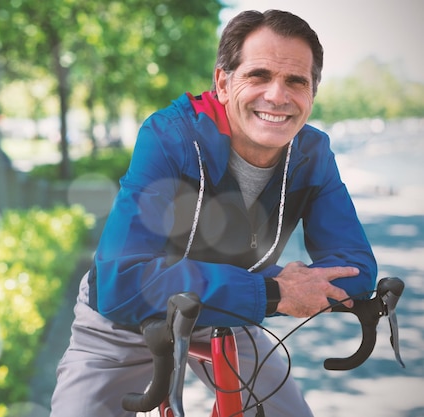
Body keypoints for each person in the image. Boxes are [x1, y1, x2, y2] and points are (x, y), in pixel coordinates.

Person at [50, 9, 376, 417]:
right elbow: (123, 281)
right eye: (259, 76)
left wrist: (279, 290)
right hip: (127, 320)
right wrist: (274, 289)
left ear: (312, 94)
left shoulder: (312, 152)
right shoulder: (169, 136)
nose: (277, 96)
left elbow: (355, 267)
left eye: (296, 81)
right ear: (223, 82)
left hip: (226, 314)